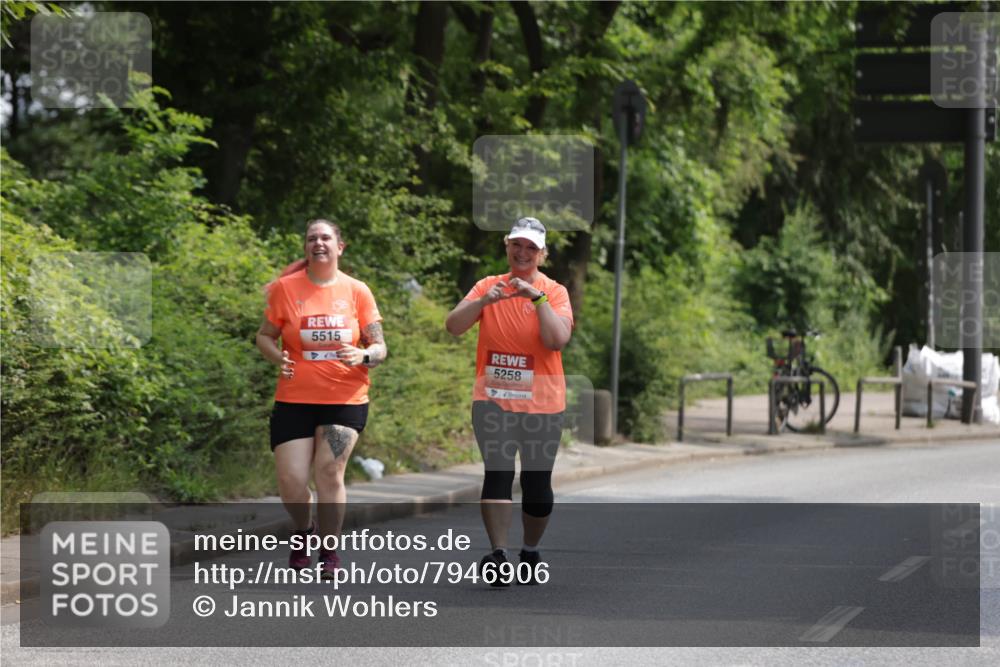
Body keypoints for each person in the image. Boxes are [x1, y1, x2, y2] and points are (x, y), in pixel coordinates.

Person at [445, 216, 573, 586]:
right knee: (498, 475)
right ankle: (499, 552)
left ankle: (529, 549)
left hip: (543, 407)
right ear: (506, 246)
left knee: (537, 488)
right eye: (517, 244)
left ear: (542, 254)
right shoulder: (488, 286)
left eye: (531, 247)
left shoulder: (555, 292)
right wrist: (485, 301)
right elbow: (453, 326)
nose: (523, 252)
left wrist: (538, 300)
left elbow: (555, 340)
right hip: (493, 402)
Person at [256, 219, 387, 577]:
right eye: (312, 238)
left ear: (339, 247)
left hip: (344, 398)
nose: (319, 243)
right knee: (292, 481)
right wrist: (276, 356)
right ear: (306, 247)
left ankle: (329, 551)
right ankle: (304, 532)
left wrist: (364, 355)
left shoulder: (357, 291)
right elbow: (265, 336)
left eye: (326, 237)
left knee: (329, 471)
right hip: (295, 399)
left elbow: (379, 347)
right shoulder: (285, 289)